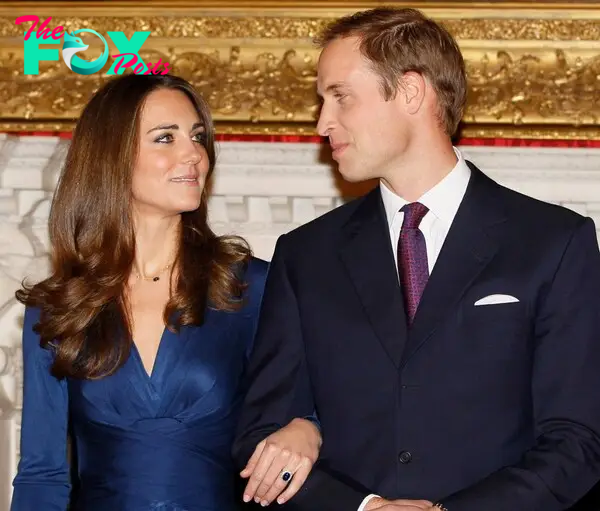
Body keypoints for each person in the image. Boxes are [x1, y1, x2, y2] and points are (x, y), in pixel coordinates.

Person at [233, 7, 600, 511]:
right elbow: (262, 436)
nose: (322, 122)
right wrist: (365, 508)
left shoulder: (554, 243)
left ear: (410, 92)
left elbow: (578, 440)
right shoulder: (305, 255)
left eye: (340, 97)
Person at [11, 73, 321, 511]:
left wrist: (309, 429)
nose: (194, 153)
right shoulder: (59, 307)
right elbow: (42, 475)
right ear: (112, 157)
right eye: (165, 138)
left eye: (197, 137)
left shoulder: (250, 288)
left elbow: (319, 402)